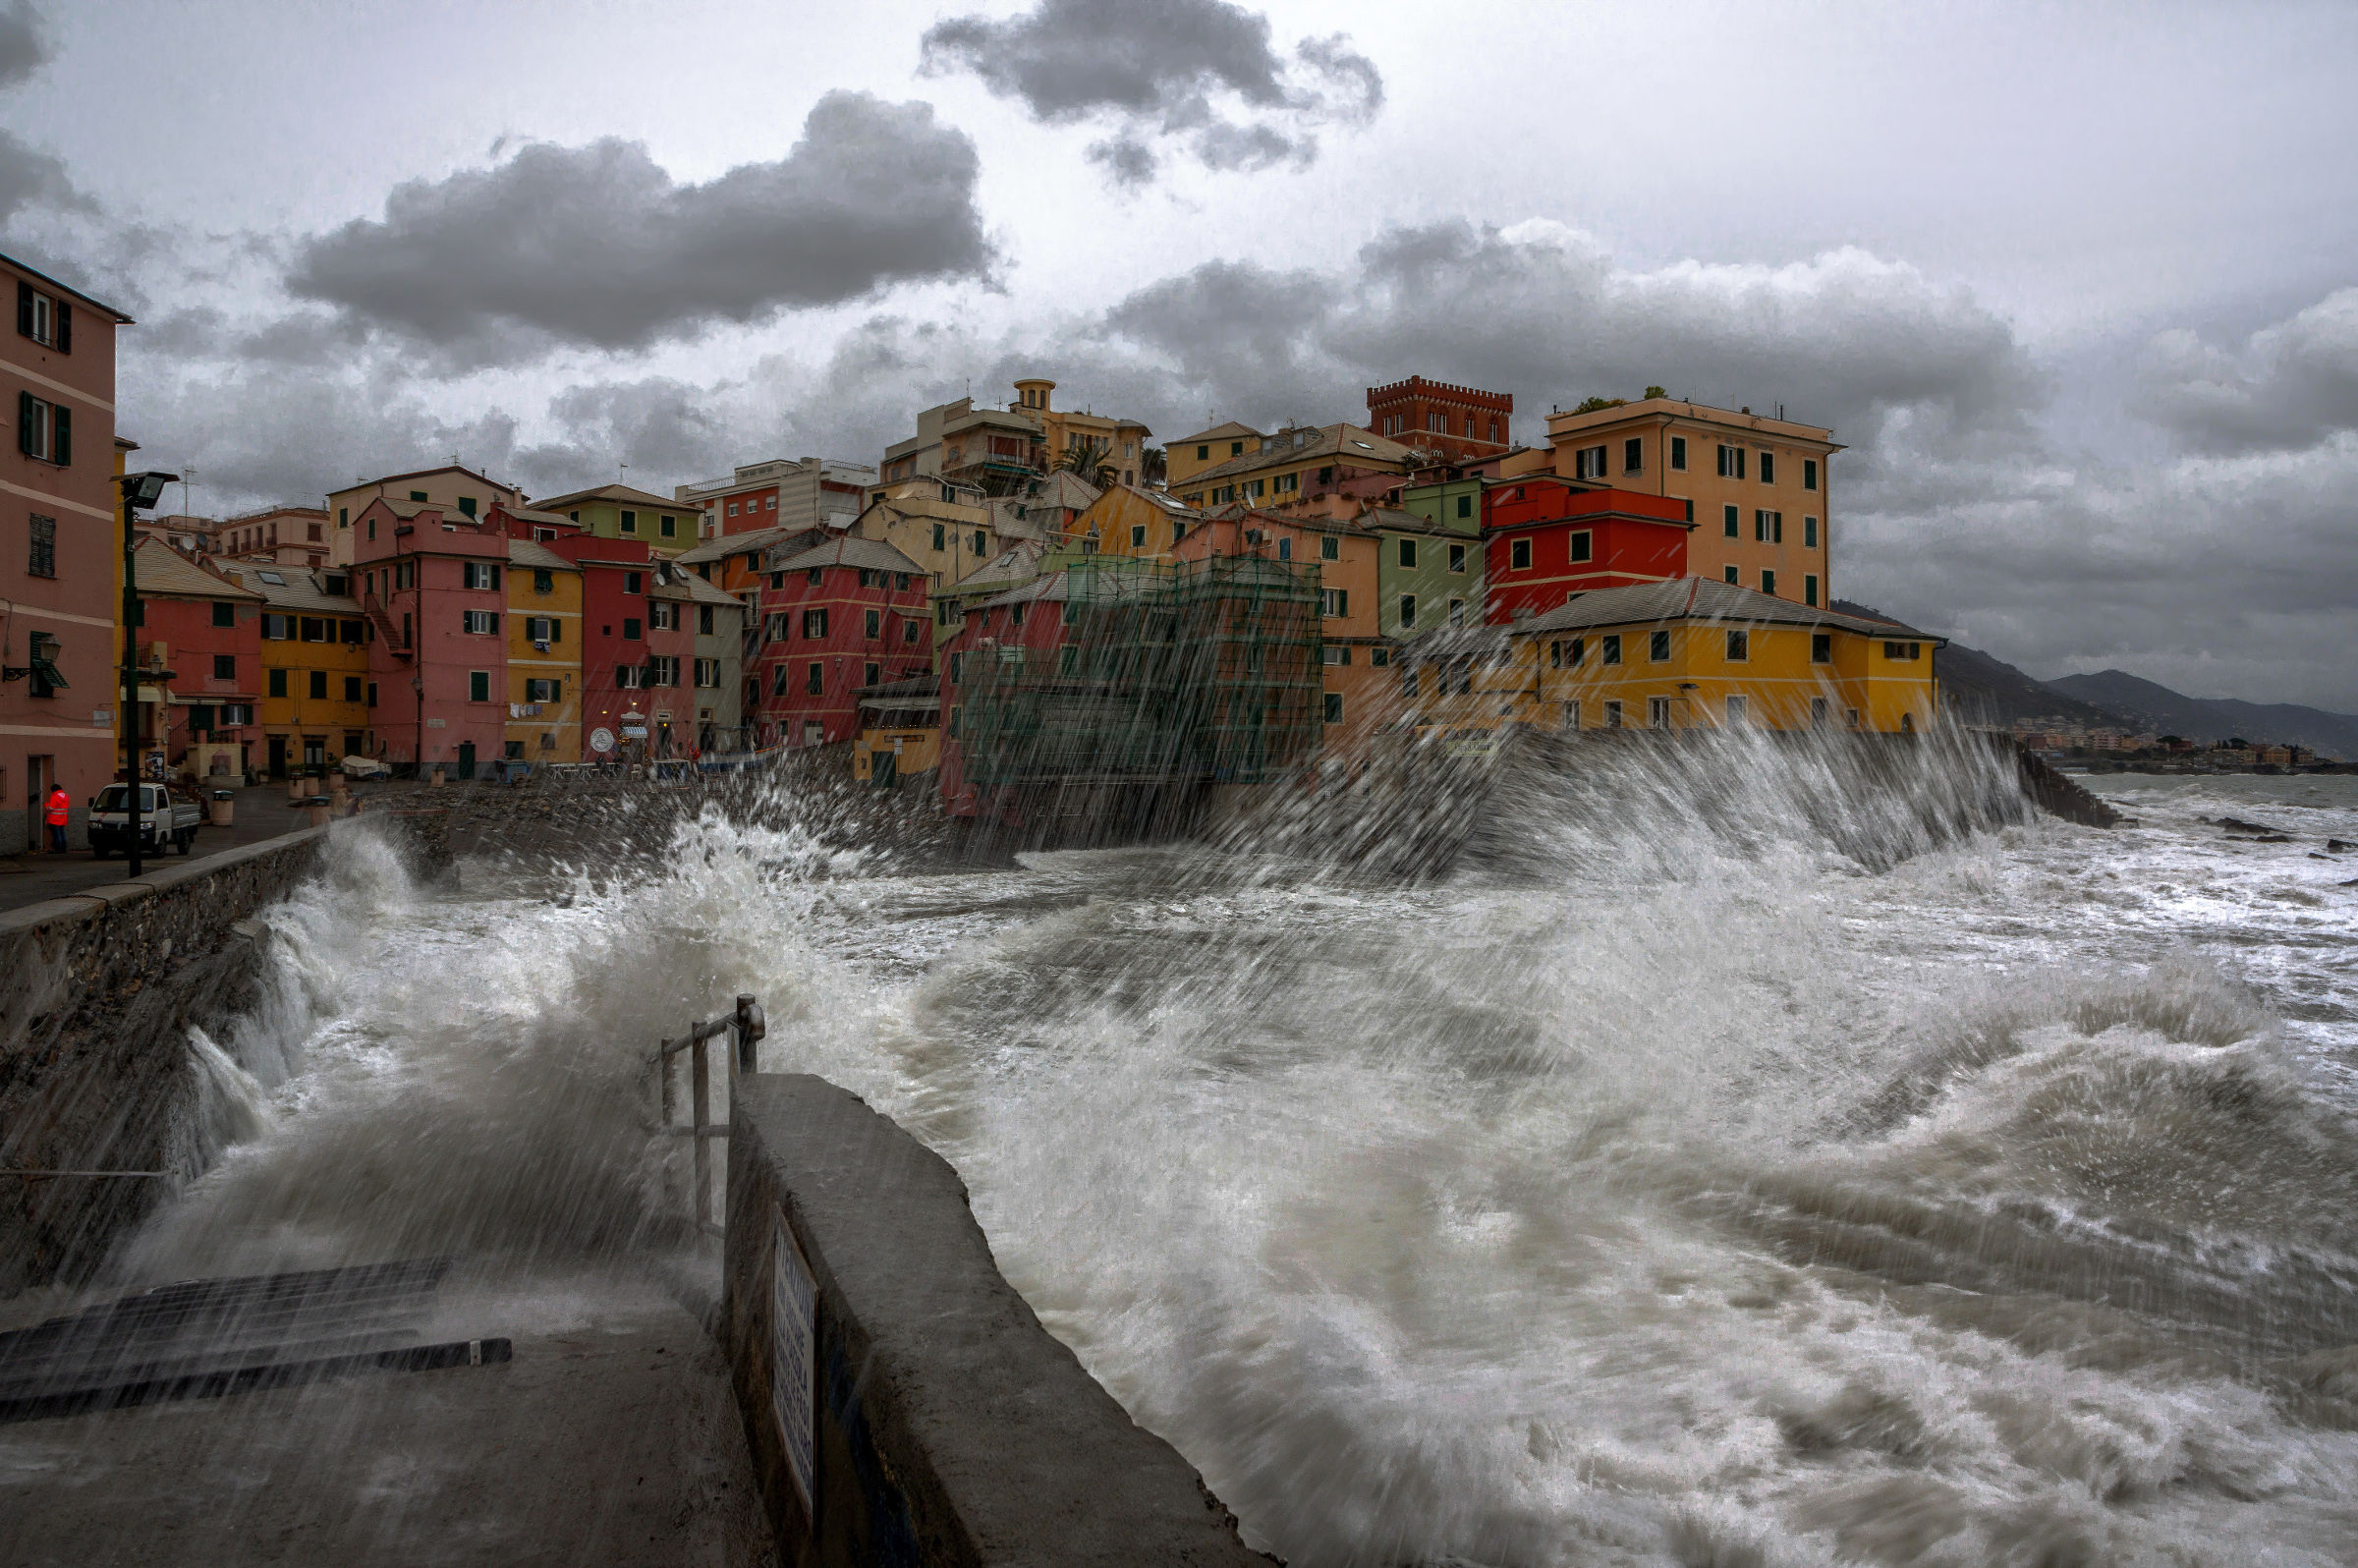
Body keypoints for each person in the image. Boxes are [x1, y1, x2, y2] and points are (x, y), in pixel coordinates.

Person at [43, 782, 69, 853]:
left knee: (57, 834)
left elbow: (51, 808)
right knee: (62, 833)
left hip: (55, 819)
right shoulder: (66, 796)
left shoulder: (54, 796)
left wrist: (45, 804)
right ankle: (64, 848)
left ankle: (58, 848)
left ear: (53, 790)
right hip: (63, 818)